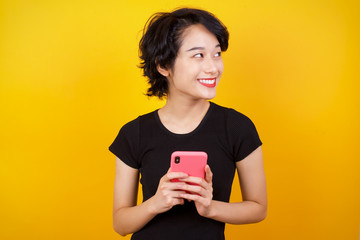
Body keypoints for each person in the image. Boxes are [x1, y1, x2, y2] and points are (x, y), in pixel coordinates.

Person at [109, 7, 267, 240]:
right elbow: (121, 224)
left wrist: (210, 208)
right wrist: (156, 202)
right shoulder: (134, 134)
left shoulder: (237, 128)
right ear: (163, 66)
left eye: (216, 54)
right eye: (198, 55)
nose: (213, 67)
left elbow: (258, 207)